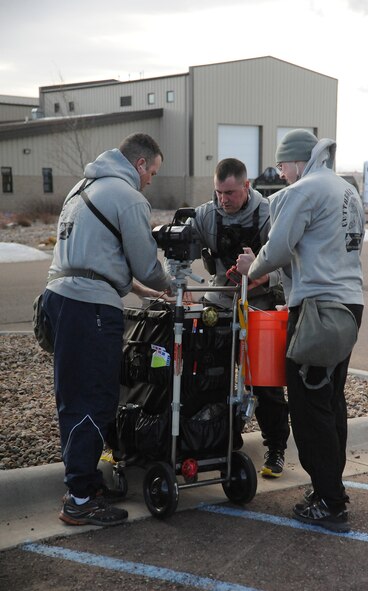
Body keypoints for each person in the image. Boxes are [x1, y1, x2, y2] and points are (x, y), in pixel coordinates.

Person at [43, 132, 174, 526]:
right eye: (152, 171)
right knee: (97, 398)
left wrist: (140, 289)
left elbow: (96, 257)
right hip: (90, 309)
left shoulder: (82, 187)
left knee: (73, 396)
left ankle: (81, 482)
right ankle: (80, 500)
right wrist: (175, 285)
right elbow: (146, 263)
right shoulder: (129, 196)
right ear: (139, 164)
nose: (151, 179)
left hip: (59, 299)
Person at [237, 129, 364, 533]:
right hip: (347, 306)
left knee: (309, 409)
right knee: (330, 401)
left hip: (315, 310)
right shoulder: (346, 190)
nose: (281, 174)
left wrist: (251, 269)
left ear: (295, 161)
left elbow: (277, 248)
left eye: (281, 166)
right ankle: (330, 489)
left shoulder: (304, 190)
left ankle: (329, 502)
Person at [190, 158, 290, 477]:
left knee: (264, 384)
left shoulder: (269, 213)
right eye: (219, 192)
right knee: (211, 378)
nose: (224, 199)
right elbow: (176, 254)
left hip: (260, 307)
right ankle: (219, 440)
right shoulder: (205, 215)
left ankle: (275, 449)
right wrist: (177, 284)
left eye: (230, 192)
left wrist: (265, 278)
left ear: (246, 186)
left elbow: (290, 265)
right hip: (219, 305)